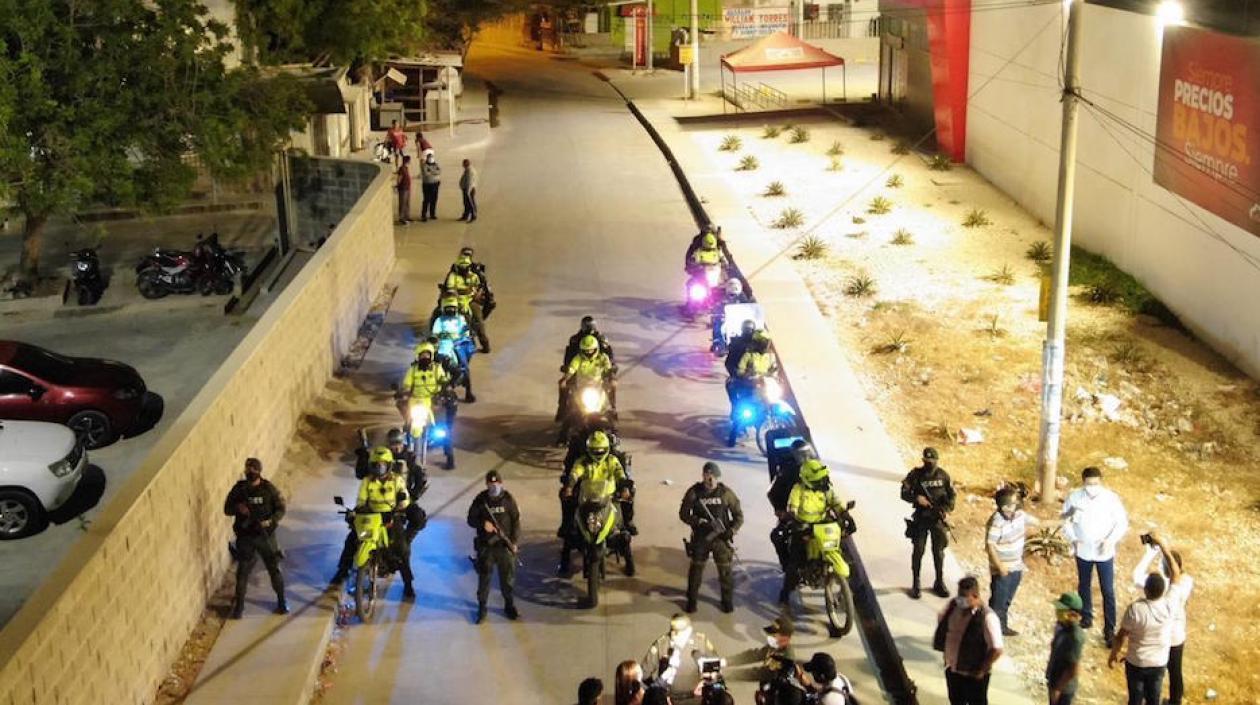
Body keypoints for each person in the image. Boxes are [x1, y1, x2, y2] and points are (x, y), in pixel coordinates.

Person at [1061, 466, 1129, 646]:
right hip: (1083, 550)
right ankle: (1086, 616)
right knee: (1084, 584)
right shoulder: (1074, 498)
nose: (1093, 486)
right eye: (1089, 483)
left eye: (1096, 483)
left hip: (1103, 552)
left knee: (1107, 590)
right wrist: (1073, 539)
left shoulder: (1111, 499)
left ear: (1101, 482)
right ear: (1083, 482)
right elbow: (1065, 520)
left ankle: (1109, 630)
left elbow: (1121, 523)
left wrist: (1110, 540)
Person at [559, 431, 630, 576]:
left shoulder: (612, 461)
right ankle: (564, 565)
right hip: (587, 501)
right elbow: (574, 473)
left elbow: (620, 474)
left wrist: (624, 488)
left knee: (623, 532)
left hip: (608, 500)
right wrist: (569, 486)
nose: (598, 454)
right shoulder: (582, 461)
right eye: (594, 451)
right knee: (570, 532)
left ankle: (629, 563)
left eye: (601, 451)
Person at [223, 458, 288, 618]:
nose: (249, 472)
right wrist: (239, 508)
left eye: (252, 470)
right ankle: (239, 608)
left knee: (274, 569)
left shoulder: (268, 489)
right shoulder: (239, 489)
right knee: (242, 572)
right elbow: (227, 509)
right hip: (246, 536)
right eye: (248, 469)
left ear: (258, 471)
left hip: (265, 536)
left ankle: (281, 602)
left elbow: (281, 509)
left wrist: (270, 521)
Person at [679, 462, 744, 613]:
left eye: (714, 478)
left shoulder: (726, 493)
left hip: (721, 539)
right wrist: (698, 521)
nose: (710, 481)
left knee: (725, 572)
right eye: (708, 477)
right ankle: (692, 600)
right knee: (696, 571)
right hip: (701, 538)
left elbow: (739, 515)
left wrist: (732, 530)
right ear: (703, 476)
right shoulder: (694, 492)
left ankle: (727, 601)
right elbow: (683, 514)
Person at [780, 459, 847, 603]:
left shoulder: (825, 488)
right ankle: (785, 592)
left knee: (839, 548)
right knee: (795, 563)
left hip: (822, 526)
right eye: (818, 480)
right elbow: (792, 508)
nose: (822, 482)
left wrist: (845, 515)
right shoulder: (798, 490)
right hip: (803, 528)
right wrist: (796, 519)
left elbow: (836, 502)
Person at [1137, 533, 1190, 705]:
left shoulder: (1162, 586)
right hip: (1177, 635)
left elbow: (1137, 575)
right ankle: (1175, 701)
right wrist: (1164, 549)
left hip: (1160, 637)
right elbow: (1176, 572)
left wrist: (1150, 553)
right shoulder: (1187, 582)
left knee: (1155, 674)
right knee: (1176, 672)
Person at [353, 448, 415, 597]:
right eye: (376, 464)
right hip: (373, 517)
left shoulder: (396, 480)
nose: (379, 468)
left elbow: (405, 499)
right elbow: (361, 501)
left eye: (383, 464)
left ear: (389, 465)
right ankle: (343, 573)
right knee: (352, 541)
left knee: (402, 550)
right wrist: (355, 512)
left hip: (392, 516)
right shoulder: (367, 481)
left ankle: (408, 584)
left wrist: (398, 507)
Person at [934, 576, 1003, 705]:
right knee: (955, 700)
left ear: (976, 596)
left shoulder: (988, 618)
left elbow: (997, 648)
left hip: (973, 674)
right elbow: (942, 621)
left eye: (964, 597)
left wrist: (982, 670)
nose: (960, 600)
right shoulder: (953, 606)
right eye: (959, 595)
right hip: (953, 668)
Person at [1108, 573, 1173, 705]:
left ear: (1145, 590)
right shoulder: (1169, 606)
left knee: (1135, 699)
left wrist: (1114, 654)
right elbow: (1176, 578)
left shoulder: (1136, 609)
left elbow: (1121, 636)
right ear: (1163, 591)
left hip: (1137, 662)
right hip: (1159, 662)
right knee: (1154, 699)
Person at [901, 447, 956, 599]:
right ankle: (916, 582)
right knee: (918, 551)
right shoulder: (915, 475)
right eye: (926, 461)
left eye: (932, 461)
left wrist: (946, 509)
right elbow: (904, 493)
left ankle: (939, 581)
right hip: (921, 518)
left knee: (938, 553)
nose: (929, 464)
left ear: (937, 461)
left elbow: (951, 496)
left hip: (937, 519)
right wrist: (916, 499)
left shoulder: (943, 476)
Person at [985, 487, 1040, 636]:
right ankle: (991, 633)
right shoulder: (996, 521)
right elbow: (990, 546)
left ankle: (1001, 627)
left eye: (1014, 505)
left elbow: (1040, 523)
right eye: (1009, 506)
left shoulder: (1020, 515)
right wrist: (999, 566)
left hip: (1016, 566)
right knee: (998, 602)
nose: (1012, 508)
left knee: (1007, 600)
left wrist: (1065, 519)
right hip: (1002, 569)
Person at [467, 470, 520, 623]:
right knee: (484, 579)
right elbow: (470, 519)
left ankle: (509, 605)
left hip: (504, 546)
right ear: (487, 484)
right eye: (491, 484)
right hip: (487, 547)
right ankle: (482, 608)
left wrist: (514, 542)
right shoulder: (481, 500)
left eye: (496, 484)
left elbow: (516, 520)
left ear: (501, 483)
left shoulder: (508, 499)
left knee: (507, 579)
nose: (493, 487)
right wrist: (482, 524)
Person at [642, 613, 718, 701]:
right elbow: (645, 673)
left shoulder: (700, 642)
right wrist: (658, 690)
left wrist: (706, 683)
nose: (674, 635)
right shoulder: (661, 644)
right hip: (670, 699)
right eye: (673, 632)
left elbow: (715, 668)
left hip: (695, 697)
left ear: (689, 630)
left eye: (678, 633)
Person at [768, 440, 816, 570]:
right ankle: (788, 567)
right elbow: (772, 493)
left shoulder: (817, 469)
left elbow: (828, 489)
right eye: (802, 455)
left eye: (807, 454)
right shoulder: (787, 472)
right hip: (794, 514)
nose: (806, 458)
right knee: (777, 536)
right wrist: (781, 511)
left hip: (816, 512)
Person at [727, 331, 778, 446]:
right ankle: (733, 435)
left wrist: (774, 375)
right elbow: (740, 370)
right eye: (763, 342)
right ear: (757, 343)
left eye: (767, 343)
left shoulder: (770, 356)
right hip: (749, 387)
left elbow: (773, 369)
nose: (765, 345)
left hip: (764, 388)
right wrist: (748, 376)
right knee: (742, 412)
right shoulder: (748, 355)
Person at [1045, 592, 1086, 705]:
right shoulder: (1062, 626)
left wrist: (1058, 688)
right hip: (1054, 679)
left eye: (1061, 609)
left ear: (1072, 613)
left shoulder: (1075, 636)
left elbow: (1073, 668)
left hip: (1064, 687)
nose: (1057, 612)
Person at [444, 255, 491, 353]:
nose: (464, 269)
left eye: (466, 267)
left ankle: (485, 344)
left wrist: (477, 294)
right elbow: (450, 288)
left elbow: (480, 287)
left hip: (471, 300)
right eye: (462, 267)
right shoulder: (453, 276)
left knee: (479, 321)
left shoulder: (474, 276)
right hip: (456, 301)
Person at [420, 151, 441, 221]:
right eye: (429, 157)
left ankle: (432, 214)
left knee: (434, 199)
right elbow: (426, 173)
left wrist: (431, 171)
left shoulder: (436, 164)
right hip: (427, 185)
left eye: (431, 157)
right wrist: (434, 171)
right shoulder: (424, 165)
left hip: (435, 184)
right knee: (426, 200)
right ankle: (424, 215)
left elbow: (439, 171)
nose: (431, 159)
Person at [396, 155, 413, 224]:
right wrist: (397, 186)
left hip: (407, 188)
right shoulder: (402, 169)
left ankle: (407, 216)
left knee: (407, 203)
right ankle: (401, 217)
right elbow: (399, 178)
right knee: (402, 203)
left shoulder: (406, 168)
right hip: (403, 188)